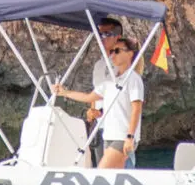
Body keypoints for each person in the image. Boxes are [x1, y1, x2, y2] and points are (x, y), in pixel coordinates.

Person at [53, 38, 144, 169]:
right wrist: (64, 92)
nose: (112, 54)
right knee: (114, 179)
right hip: (109, 135)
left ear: (130, 54)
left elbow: (136, 109)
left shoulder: (134, 79)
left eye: (117, 51)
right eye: (112, 51)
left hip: (123, 137)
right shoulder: (110, 80)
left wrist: (130, 137)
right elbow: (89, 97)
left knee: (102, 172)